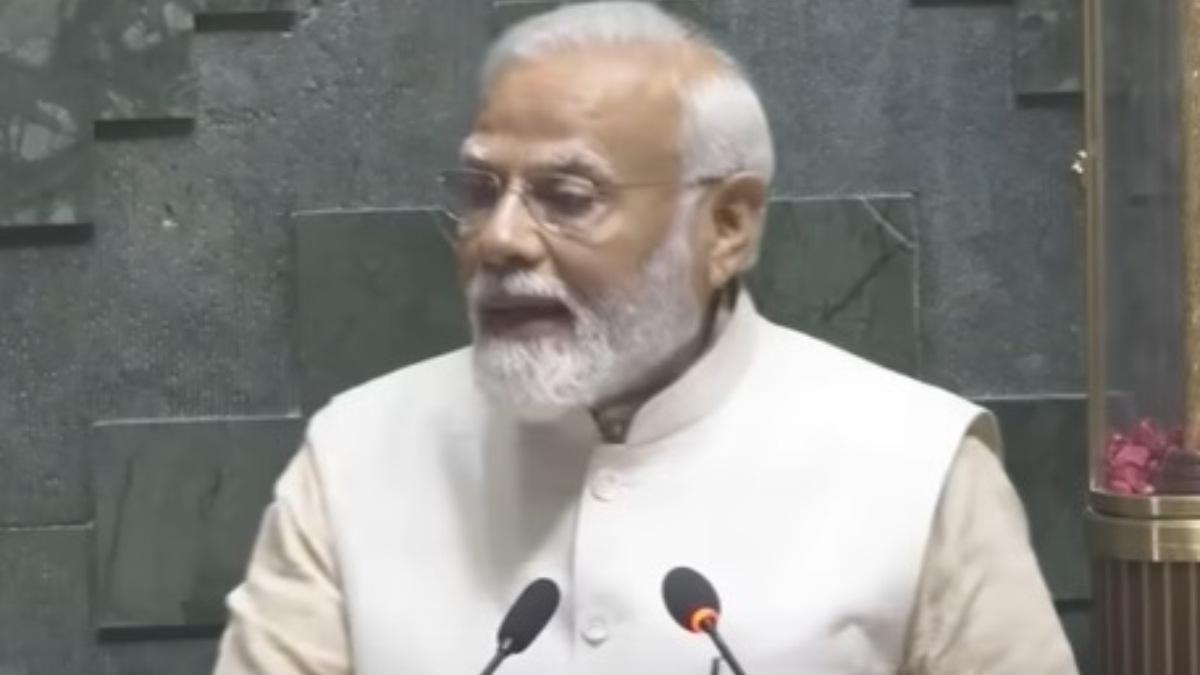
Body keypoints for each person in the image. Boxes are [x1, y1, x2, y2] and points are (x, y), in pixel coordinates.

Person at [212, 2, 1079, 674]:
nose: (500, 238)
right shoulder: (353, 458)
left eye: (567, 195)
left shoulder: (919, 470)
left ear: (728, 225)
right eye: (480, 190)